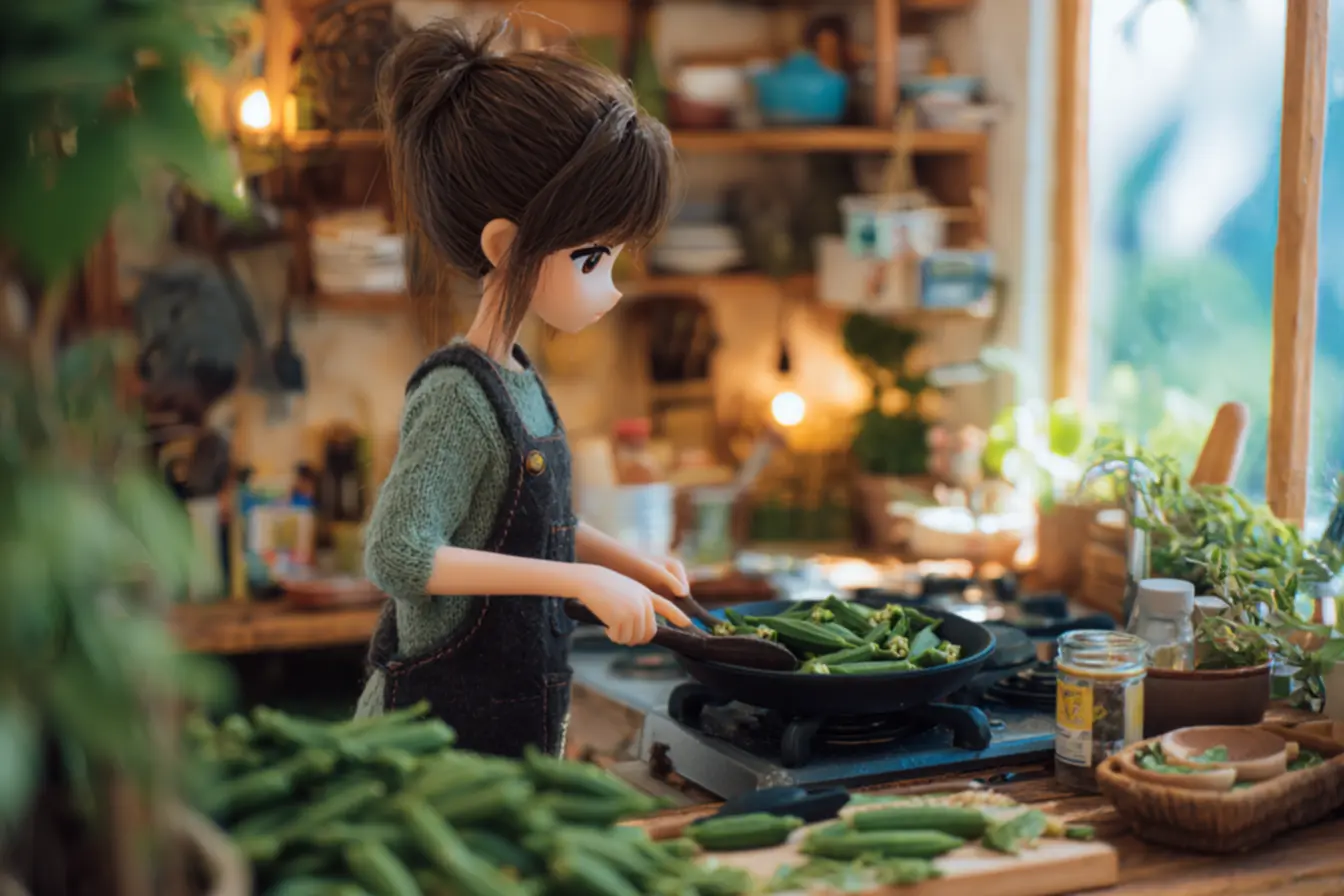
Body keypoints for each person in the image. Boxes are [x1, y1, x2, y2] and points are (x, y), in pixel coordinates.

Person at [356, 17, 692, 759]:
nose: (610, 287)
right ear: (508, 247)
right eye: (593, 258)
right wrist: (578, 584)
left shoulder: (521, 384)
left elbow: (543, 526)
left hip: (509, 721)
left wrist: (640, 572)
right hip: (428, 743)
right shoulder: (456, 398)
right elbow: (400, 555)